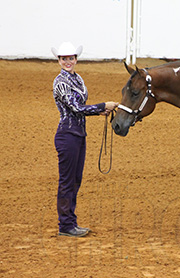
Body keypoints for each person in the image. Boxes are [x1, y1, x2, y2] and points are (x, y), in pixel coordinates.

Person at [51, 42, 118, 237]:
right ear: (59, 61)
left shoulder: (78, 79)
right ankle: (66, 225)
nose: (68, 61)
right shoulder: (61, 82)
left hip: (77, 135)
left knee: (74, 181)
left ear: (76, 59)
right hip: (68, 136)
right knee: (67, 181)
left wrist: (98, 112)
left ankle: (70, 222)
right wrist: (102, 105)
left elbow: (80, 107)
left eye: (71, 58)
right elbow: (76, 108)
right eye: (64, 59)